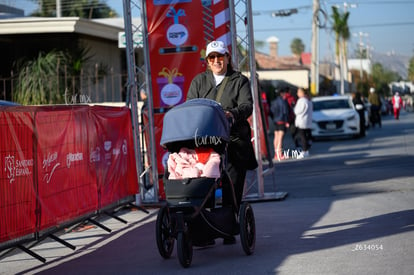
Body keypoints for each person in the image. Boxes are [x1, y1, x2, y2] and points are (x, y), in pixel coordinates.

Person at [187, 40, 257, 245]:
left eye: (220, 56)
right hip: (206, 141)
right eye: (212, 58)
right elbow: (191, 106)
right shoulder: (199, 82)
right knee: (204, 183)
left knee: (231, 185)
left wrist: (232, 113)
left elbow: (247, 106)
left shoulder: (239, 80)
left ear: (227, 58)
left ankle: (228, 228)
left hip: (233, 141)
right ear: (207, 62)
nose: (217, 61)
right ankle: (204, 230)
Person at [269, 88, 289, 161]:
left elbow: (270, 111)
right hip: (282, 121)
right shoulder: (283, 101)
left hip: (275, 121)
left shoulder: (273, 101)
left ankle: (275, 154)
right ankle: (279, 154)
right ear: (282, 93)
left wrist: (274, 118)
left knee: (276, 137)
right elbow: (285, 112)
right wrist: (287, 121)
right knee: (280, 138)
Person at [294, 88, 313, 159]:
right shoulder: (308, 100)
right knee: (305, 136)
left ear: (302, 93)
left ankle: (305, 151)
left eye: (298, 92)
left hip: (302, 121)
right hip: (307, 121)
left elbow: (298, 111)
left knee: (303, 136)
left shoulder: (302, 100)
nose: (297, 93)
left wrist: (294, 109)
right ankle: (306, 149)